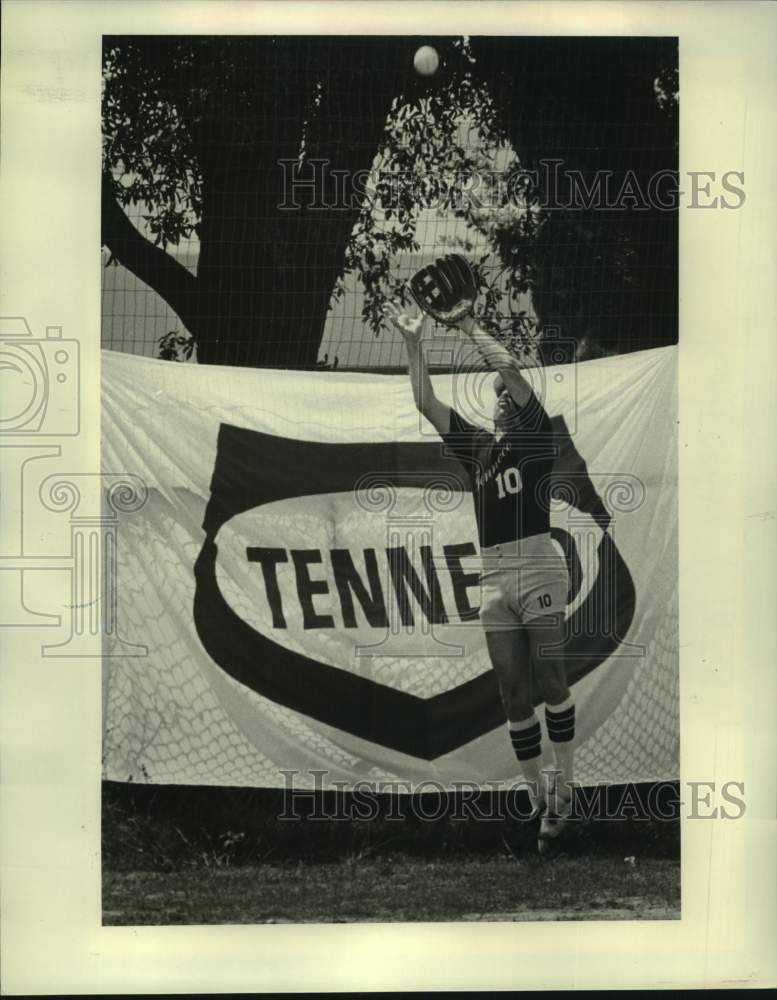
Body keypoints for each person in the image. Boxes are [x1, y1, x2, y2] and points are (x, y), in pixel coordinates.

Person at [386, 299, 576, 850]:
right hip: (494, 575)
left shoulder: (537, 438)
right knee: (513, 693)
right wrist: (413, 342)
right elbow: (425, 401)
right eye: (494, 399)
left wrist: (469, 325)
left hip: (537, 562)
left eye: (504, 397)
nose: (499, 402)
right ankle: (539, 796)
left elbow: (511, 374)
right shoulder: (479, 448)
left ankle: (566, 781)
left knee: (551, 681)